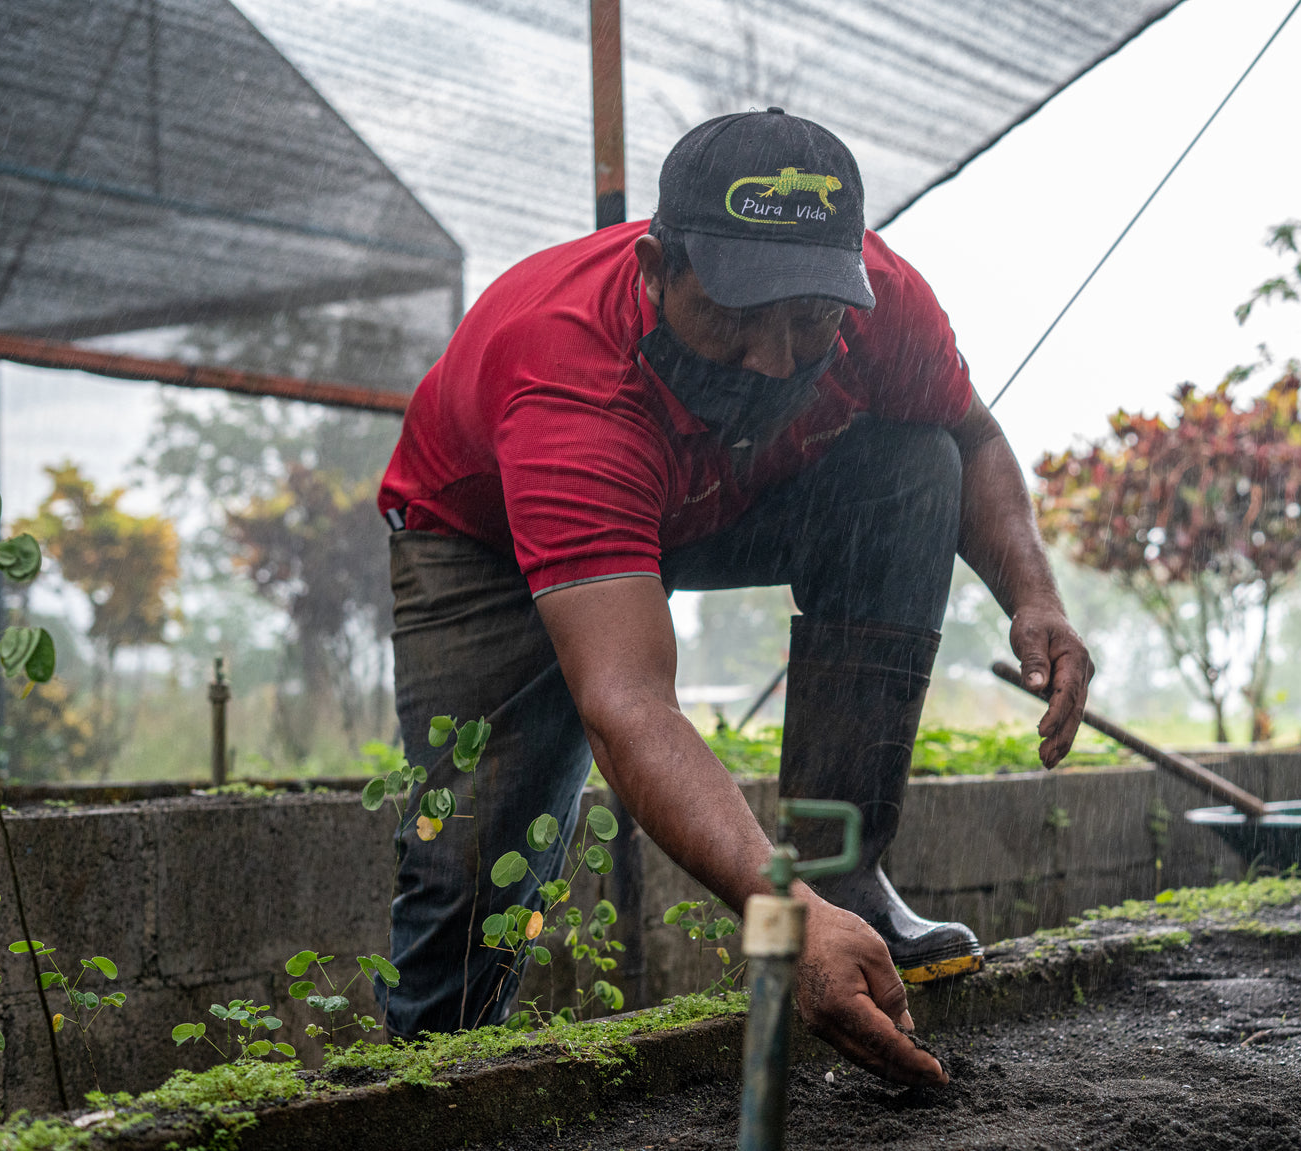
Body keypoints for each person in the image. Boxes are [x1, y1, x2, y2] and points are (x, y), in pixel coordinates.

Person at [375, 108, 1092, 1085]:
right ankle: (430, 1083)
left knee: (910, 465)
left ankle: (842, 870)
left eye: (807, 318)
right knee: (477, 865)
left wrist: (1033, 596)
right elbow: (628, 702)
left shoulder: (883, 306)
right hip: (485, 546)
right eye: (736, 313)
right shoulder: (565, 374)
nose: (775, 359)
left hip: (717, 492)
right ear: (655, 271)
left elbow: (968, 437)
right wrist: (779, 920)